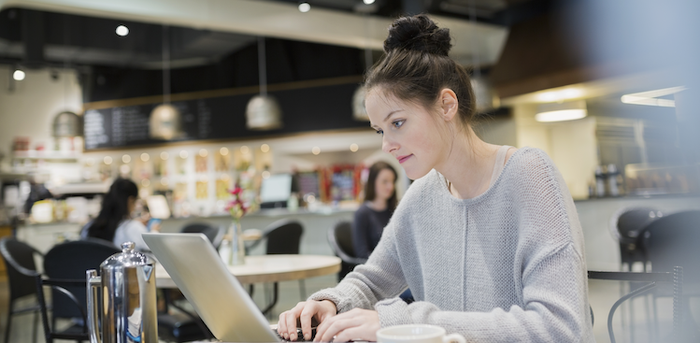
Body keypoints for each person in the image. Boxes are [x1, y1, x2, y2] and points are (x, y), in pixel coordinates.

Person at [277, 14, 594, 343]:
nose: (387, 144)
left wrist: (404, 320)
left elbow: (559, 329)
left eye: (397, 123)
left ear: (446, 105)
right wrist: (330, 302)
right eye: (380, 130)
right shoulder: (422, 195)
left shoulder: (529, 175)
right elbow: (371, 281)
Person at [82, 178, 158, 251]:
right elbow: (155, 248)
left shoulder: (89, 227)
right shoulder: (132, 228)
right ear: (130, 200)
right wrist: (154, 231)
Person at [352, 161, 398, 260]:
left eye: (392, 181)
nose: (390, 186)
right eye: (385, 181)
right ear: (373, 182)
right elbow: (362, 253)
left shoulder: (396, 211)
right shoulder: (362, 214)